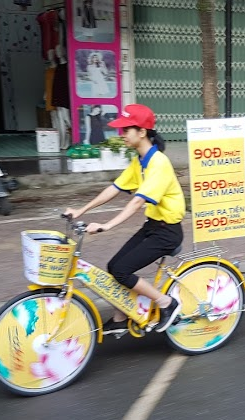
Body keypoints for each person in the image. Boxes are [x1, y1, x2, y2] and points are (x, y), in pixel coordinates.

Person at [64, 104, 185, 334]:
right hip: (152, 226)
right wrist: (81, 210)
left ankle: (166, 303)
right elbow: (115, 188)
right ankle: (121, 317)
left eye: (126, 129)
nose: (122, 134)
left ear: (142, 132)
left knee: (121, 270)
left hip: (167, 232)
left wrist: (106, 225)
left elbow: (137, 202)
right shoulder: (139, 161)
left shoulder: (159, 163)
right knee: (114, 267)